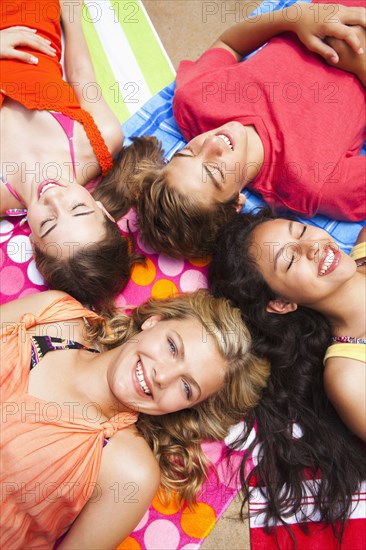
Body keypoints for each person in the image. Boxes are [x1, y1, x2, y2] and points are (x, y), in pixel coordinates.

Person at [0, 288, 269, 549]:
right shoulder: (55, 314)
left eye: (186, 388)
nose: (162, 377)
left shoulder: (129, 470)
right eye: (172, 347)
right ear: (153, 322)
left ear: (186, 407)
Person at [129, 0, 366, 258]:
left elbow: (229, 44)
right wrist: (360, 65)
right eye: (215, 171)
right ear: (236, 205)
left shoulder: (194, 101)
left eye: (187, 152)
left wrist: (294, 17)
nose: (211, 144)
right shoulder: (312, 184)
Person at [208, 208, 366, 540]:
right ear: (281, 304)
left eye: (300, 231)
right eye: (290, 260)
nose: (313, 247)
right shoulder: (348, 377)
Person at [0, 0, 136, 312]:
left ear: (34, 244)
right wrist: (71, 11)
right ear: (101, 209)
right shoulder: (99, 138)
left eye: (48, 224)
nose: (54, 199)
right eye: (78, 208)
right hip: (28, 18)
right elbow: (80, 72)